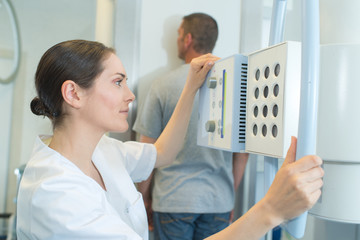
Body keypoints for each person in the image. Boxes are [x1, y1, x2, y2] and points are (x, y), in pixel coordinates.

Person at [16, 39, 324, 240]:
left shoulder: (104, 150)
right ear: (73, 93)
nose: (130, 94)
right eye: (118, 82)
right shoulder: (56, 193)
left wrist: (191, 88)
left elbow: (162, 152)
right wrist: (270, 210)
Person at [133, 12, 249, 240]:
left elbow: (148, 151)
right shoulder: (236, 85)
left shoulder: (162, 85)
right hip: (218, 202)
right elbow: (242, 154)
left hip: (172, 201)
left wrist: (144, 198)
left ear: (187, 39)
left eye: (178, 35)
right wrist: (227, 195)